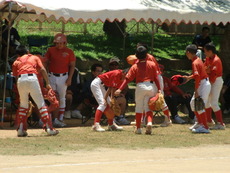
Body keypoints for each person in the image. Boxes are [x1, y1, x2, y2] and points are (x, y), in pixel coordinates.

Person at [115, 46, 163, 135]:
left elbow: (127, 79)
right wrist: (159, 89)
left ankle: (138, 128)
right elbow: (156, 78)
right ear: (146, 55)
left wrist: (119, 89)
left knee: (139, 107)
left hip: (140, 86)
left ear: (136, 55)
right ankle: (149, 122)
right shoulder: (152, 64)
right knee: (149, 106)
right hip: (151, 85)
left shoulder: (135, 66)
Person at [12, 45, 59, 137]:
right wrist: (47, 83)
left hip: (21, 80)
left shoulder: (16, 61)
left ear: (18, 54)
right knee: (41, 104)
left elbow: (16, 76)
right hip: (32, 78)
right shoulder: (34, 57)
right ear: (27, 51)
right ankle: (49, 128)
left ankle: (21, 129)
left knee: (23, 105)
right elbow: (42, 69)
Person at [44, 33, 76, 127]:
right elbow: (45, 63)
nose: (59, 45)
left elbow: (72, 66)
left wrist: (69, 78)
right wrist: (46, 78)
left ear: (65, 43)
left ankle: (60, 118)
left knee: (62, 97)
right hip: (52, 75)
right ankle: (51, 118)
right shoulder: (50, 50)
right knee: (51, 96)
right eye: (57, 43)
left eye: (61, 43)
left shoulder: (69, 52)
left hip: (63, 76)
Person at [183, 44, 211, 133]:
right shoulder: (197, 60)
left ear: (188, 52)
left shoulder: (195, 62)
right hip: (203, 83)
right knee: (192, 104)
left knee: (199, 105)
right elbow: (197, 74)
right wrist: (189, 77)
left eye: (186, 52)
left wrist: (196, 91)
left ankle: (205, 127)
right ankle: (199, 123)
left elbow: (198, 77)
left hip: (203, 84)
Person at [203, 43, 225, 130]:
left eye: (205, 51)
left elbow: (213, 75)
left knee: (214, 103)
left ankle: (220, 123)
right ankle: (209, 121)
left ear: (210, 51)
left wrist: (207, 72)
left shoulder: (216, 60)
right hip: (210, 80)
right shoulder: (208, 58)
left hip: (216, 81)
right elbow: (205, 68)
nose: (204, 53)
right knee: (207, 101)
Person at [108, 57, 130, 125]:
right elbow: (110, 88)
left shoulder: (120, 74)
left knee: (123, 98)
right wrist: (113, 96)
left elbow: (126, 87)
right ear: (109, 65)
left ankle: (119, 117)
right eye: (112, 65)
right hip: (108, 96)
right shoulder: (108, 74)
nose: (114, 66)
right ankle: (118, 117)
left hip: (116, 96)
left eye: (116, 65)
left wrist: (123, 93)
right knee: (122, 100)